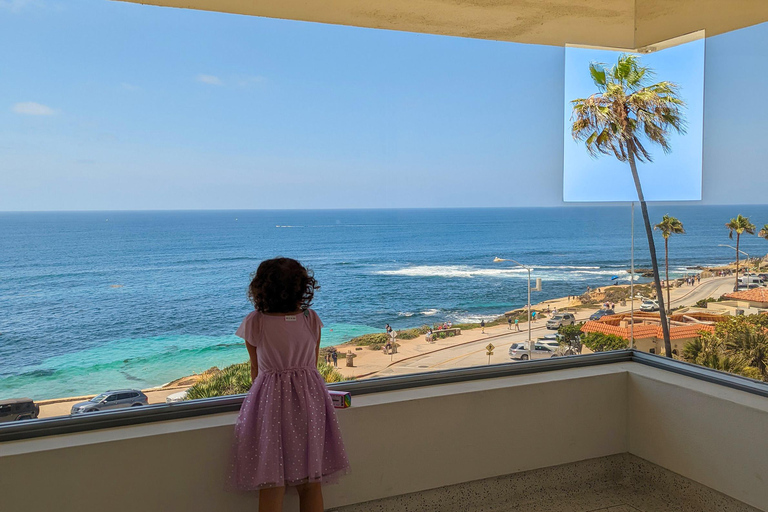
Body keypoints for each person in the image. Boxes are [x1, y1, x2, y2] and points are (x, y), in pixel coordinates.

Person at [231, 258, 349, 511]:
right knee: (310, 482)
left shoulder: (256, 321)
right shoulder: (310, 318)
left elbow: (256, 370)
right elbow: (312, 365)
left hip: (271, 402)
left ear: (260, 288)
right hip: (311, 398)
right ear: (302, 288)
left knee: (272, 481)